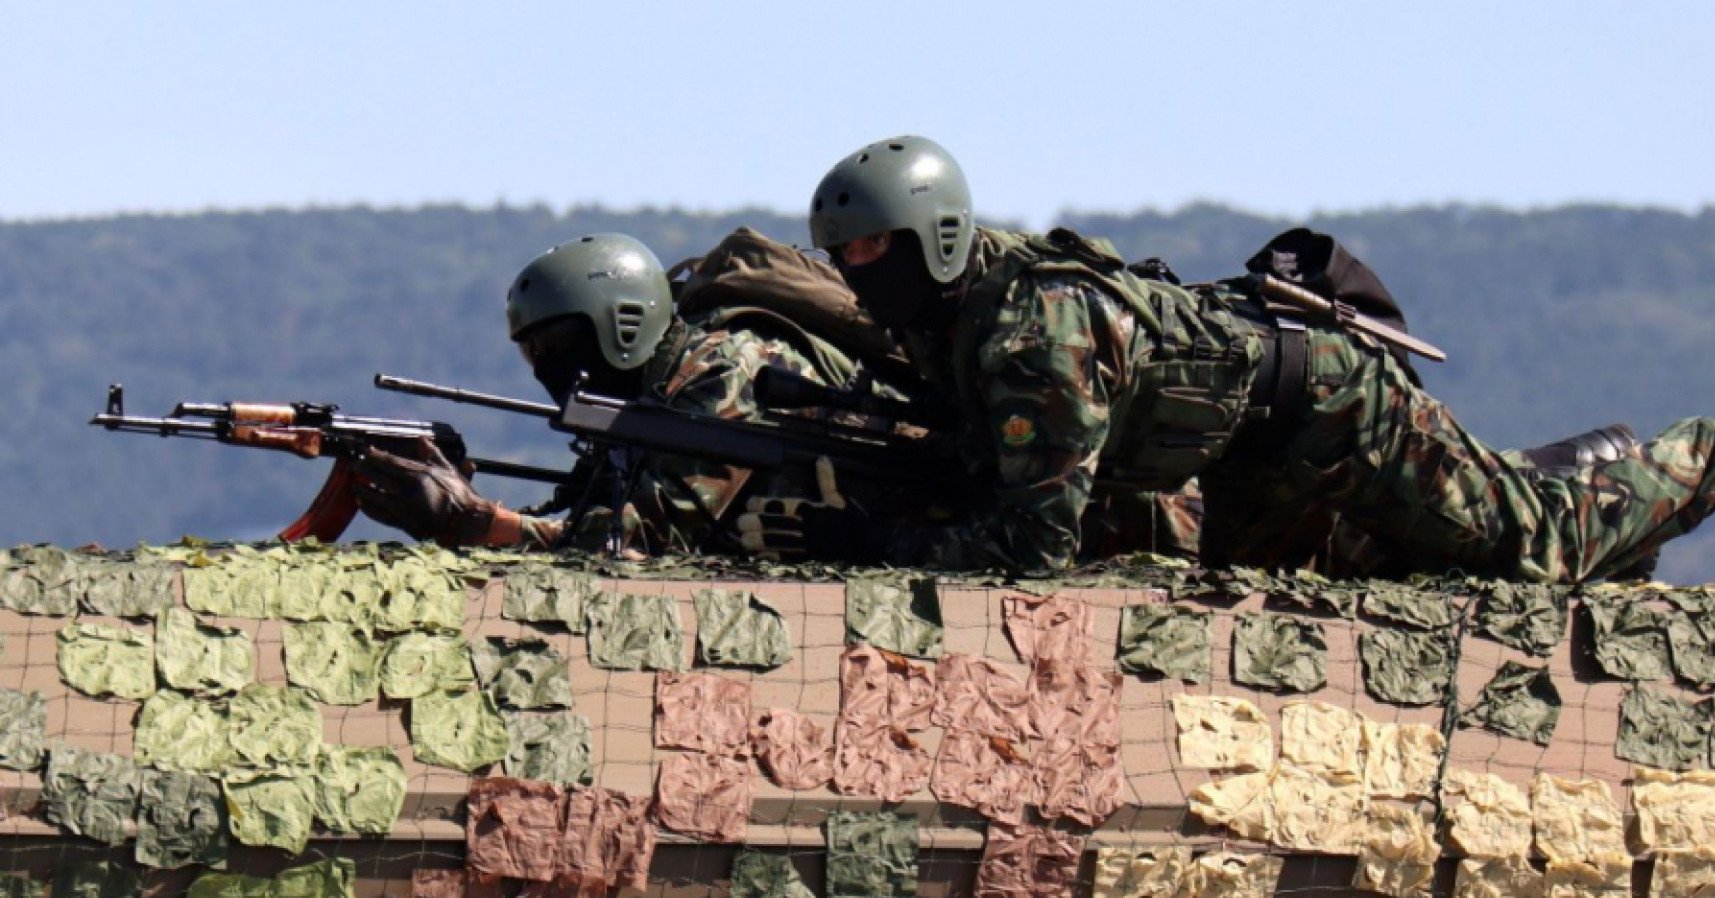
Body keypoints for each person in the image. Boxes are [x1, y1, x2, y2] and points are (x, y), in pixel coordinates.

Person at [753, 134, 1715, 585]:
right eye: (841, 254)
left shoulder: (1034, 332)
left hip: (1328, 406)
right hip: (1245, 448)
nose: (856, 269)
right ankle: (1576, 460)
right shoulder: (957, 315)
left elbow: (1037, 545)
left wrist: (875, 540)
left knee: (1533, 547)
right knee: (1333, 586)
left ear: (933, 235)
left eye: (870, 247)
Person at [349, 231, 1206, 561]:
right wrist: (475, 489)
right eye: (534, 351)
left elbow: (650, 536)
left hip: (1050, 523)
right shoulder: (649, 403)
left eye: (560, 345)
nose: (549, 367)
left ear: (623, 324)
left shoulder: (719, 370)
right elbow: (597, 510)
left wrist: (472, 523)